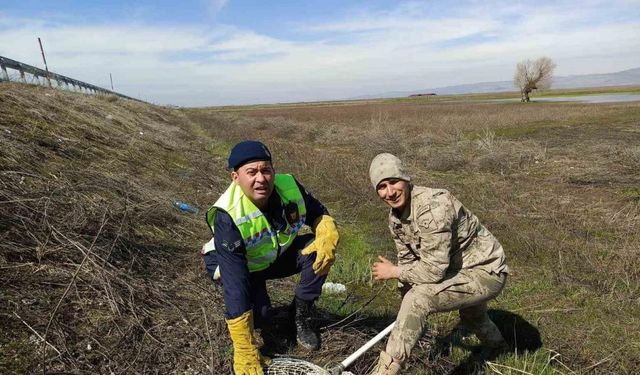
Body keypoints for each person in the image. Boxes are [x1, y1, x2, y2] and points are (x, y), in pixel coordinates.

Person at [202, 140, 339, 375]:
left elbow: (317, 212)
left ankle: (299, 316)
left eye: (266, 170)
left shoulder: (289, 186)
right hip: (240, 265)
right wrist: (244, 348)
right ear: (235, 177)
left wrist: (326, 227)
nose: (261, 179)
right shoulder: (228, 215)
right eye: (251, 172)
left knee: (318, 249)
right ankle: (253, 329)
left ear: (273, 171)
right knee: (262, 316)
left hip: (272, 254)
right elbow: (236, 285)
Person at [367, 153, 509, 375]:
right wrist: (407, 313)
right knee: (472, 315)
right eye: (382, 187)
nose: (390, 192)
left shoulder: (433, 207)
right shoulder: (395, 218)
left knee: (418, 300)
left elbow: (432, 270)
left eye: (394, 182)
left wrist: (395, 273)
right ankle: (498, 348)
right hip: (456, 270)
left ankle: (385, 371)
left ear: (406, 179)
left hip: (485, 271)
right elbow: (408, 258)